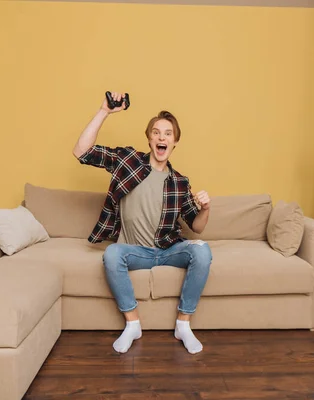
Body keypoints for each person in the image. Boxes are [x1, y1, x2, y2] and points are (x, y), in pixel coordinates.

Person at [72, 91, 213, 355]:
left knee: (202, 250)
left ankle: (183, 325)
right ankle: (133, 324)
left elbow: (197, 226)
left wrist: (206, 207)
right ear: (149, 139)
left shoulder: (180, 182)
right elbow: (81, 152)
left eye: (168, 133)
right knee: (112, 254)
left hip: (168, 250)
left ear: (175, 142)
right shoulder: (128, 162)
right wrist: (105, 111)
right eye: (157, 132)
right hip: (134, 252)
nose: (162, 137)